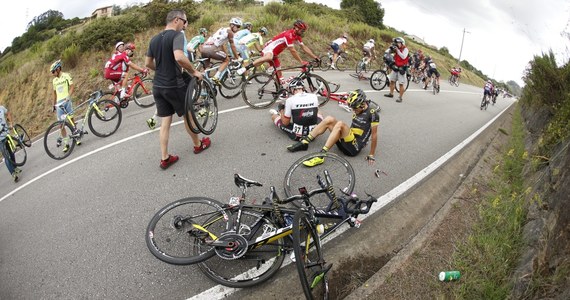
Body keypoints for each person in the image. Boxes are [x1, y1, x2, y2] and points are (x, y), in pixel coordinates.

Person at [145, 9, 210, 170]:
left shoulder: (154, 39)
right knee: (187, 115)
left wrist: (161, 69)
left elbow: (148, 63)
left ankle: (165, 158)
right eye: (184, 21)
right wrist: (194, 71)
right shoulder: (177, 36)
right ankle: (197, 144)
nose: (185, 25)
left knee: (165, 121)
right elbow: (179, 57)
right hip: (173, 85)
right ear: (176, 20)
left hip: (158, 86)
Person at [287, 89, 379, 167]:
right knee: (329, 119)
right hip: (346, 141)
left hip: (353, 148)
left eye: (355, 108)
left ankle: (321, 156)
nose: (353, 110)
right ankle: (305, 142)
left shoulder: (372, 113)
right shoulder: (358, 107)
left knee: (340, 124)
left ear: (362, 104)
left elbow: (374, 135)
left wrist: (371, 154)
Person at [236, 19, 320, 85]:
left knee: (279, 73)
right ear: (297, 28)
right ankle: (245, 68)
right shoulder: (289, 35)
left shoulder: (297, 36)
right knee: (268, 57)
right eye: (302, 30)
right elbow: (292, 50)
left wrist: (315, 57)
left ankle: (281, 91)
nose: (303, 32)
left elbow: (304, 47)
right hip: (269, 48)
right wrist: (301, 62)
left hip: (275, 54)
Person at [200, 17, 243, 85]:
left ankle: (202, 85)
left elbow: (221, 45)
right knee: (226, 60)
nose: (238, 28)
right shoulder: (230, 32)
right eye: (237, 26)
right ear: (232, 25)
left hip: (204, 49)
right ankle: (216, 77)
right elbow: (233, 46)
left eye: (239, 27)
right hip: (211, 49)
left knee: (206, 68)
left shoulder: (222, 29)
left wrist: (225, 54)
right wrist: (237, 57)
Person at [50, 59, 79, 152]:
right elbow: (54, 93)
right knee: (61, 124)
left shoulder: (66, 75)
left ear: (58, 69)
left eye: (53, 71)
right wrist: (53, 105)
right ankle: (66, 143)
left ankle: (76, 137)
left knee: (71, 120)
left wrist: (68, 96)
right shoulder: (54, 80)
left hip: (66, 101)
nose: (53, 73)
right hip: (59, 103)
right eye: (52, 72)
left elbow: (72, 87)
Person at [383, 37, 409, 103]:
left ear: (402, 43)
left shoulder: (405, 49)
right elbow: (390, 51)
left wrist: (397, 50)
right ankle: (391, 93)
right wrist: (390, 48)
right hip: (396, 67)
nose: (397, 44)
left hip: (402, 68)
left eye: (398, 43)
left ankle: (400, 97)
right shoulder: (397, 48)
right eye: (396, 43)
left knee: (400, 84)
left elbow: (403, 56)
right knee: (392, 81)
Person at [0, 105, 21, 182]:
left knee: (11, 152)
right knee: (6, 156)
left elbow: (8, 113)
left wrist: (11, 123)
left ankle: (15, 167)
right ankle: (13, 173)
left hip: (6, 135)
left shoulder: (1, 108)